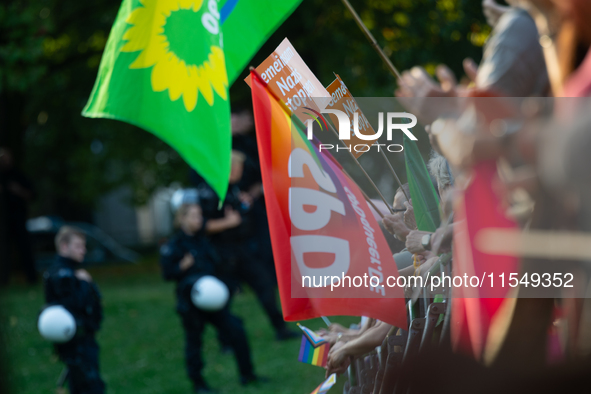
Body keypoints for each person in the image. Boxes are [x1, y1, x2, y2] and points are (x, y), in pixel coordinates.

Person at [192, 151, 297, 341]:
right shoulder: (210, 191)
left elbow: (239, 215)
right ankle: (226, 340)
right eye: (237, 167)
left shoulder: (234, 189)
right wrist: (228, 222)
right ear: (228, 168)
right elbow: (201, 226)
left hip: (242, 249)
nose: (240, 170)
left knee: (264, 284)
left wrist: (245, 205)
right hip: (220, 253)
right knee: (222, 296)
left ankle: (281, 329)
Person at [160, 201, 262, 393]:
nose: (199, 220)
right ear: (182, 218)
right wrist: (182, 266)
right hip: (191, 303)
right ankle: (198, 384)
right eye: (194, 216)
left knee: (237, 330)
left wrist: (230, 287)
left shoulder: (204, 241)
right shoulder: (174, 245)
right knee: (194, 342)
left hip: (214, 301)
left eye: (199, 215)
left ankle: (247, 374)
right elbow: (167, 273)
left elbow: (216, 268)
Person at [43, 226, 105, 394]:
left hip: (85, 338)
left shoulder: (73, 272)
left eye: (83, 246)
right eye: (78, 246)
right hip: (76, 342)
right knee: (89, 386)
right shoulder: (61, 274)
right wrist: (85, 283)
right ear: (64, 246)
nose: (83, 250)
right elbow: (73, 305)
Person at [0, 147, 38, 285]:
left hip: (18, 219)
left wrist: (18, 190)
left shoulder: (19, 175)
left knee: (25, 249)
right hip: (3, 222)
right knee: (4, 252)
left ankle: (31, 278)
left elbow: (33, 194)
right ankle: (4, 281)